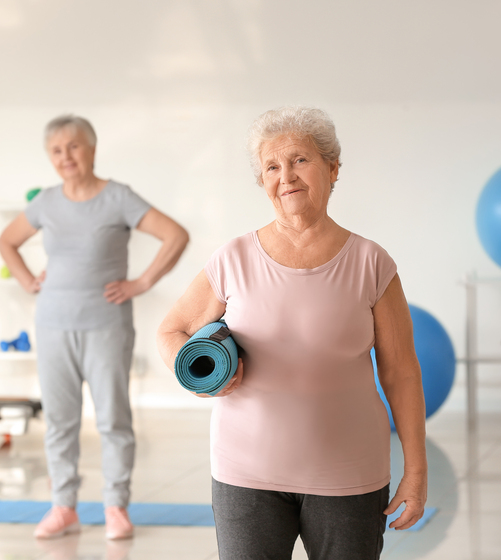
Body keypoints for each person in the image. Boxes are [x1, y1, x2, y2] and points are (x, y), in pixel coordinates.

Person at [157, 106, 427, 559]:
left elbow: (401, 373)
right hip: (246, 477)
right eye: (272, 166)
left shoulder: (371, 263)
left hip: (349, 476)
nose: (286, 176)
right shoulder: (233, 259)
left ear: (333, 168)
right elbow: (172, 330)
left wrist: (415, 472)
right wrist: (198, 380)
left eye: (300, 160)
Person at [0, 115, 189, 540]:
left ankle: (116, 507)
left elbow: (175, 235)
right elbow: (6, 241)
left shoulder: (117, 196)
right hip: (52, 326)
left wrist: (141, 282)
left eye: (74, 146)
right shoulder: (46, 202)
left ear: (92, 148)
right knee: (60, 422)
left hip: (106, 326)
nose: (66, 157)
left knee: (113, 420)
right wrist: (27, 279)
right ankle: (63, 507)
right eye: (57, 150)